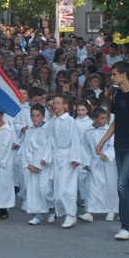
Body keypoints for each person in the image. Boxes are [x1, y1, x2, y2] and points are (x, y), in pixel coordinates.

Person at [96, 61, 129, 241]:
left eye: (114, 74)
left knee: (121, 182)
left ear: (123, 75)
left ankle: (125, 225)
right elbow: (115, 122)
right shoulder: (117, 95)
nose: (112, 77)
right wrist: (103, 140)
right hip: (119, 144)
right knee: (126, 185)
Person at [49, 93, 82, 228]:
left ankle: (71, 214)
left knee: (66, 188)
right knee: (57, 188)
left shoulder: (70, 121)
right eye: (54, 103)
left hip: (68, 157)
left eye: (58, 103)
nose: (55, 105)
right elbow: (49, 141)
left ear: (65, 106)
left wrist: (75, 157)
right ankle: (60, 211)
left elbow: (75, 139)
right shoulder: (52, 121)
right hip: (56, 156)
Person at [79, 106, 117, 223]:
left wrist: (107, 154)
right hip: (94, 162)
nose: (104, 121)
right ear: (94, 119)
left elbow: (113, 145)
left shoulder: (109, 131)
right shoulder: (88, 132)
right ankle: (89, 212)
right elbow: (84, 148)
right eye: (102, 118)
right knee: (91, 186)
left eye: (106, 118)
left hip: (106, 163)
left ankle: (111, 209)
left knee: (108, 186)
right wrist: (86, 162)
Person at [24, 103, 52, 225]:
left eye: (38, 115)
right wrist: (29, 163)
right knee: (34, 189)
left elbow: (47, 147)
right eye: (33, 115)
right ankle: (38, 214)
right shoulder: (29, 130)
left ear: (43, 116)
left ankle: (52, 209)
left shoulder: (48, 130)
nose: (35, 118)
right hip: (32, 165)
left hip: (43, 164)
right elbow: (26, 148)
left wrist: (37, 164)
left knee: (44, 189)